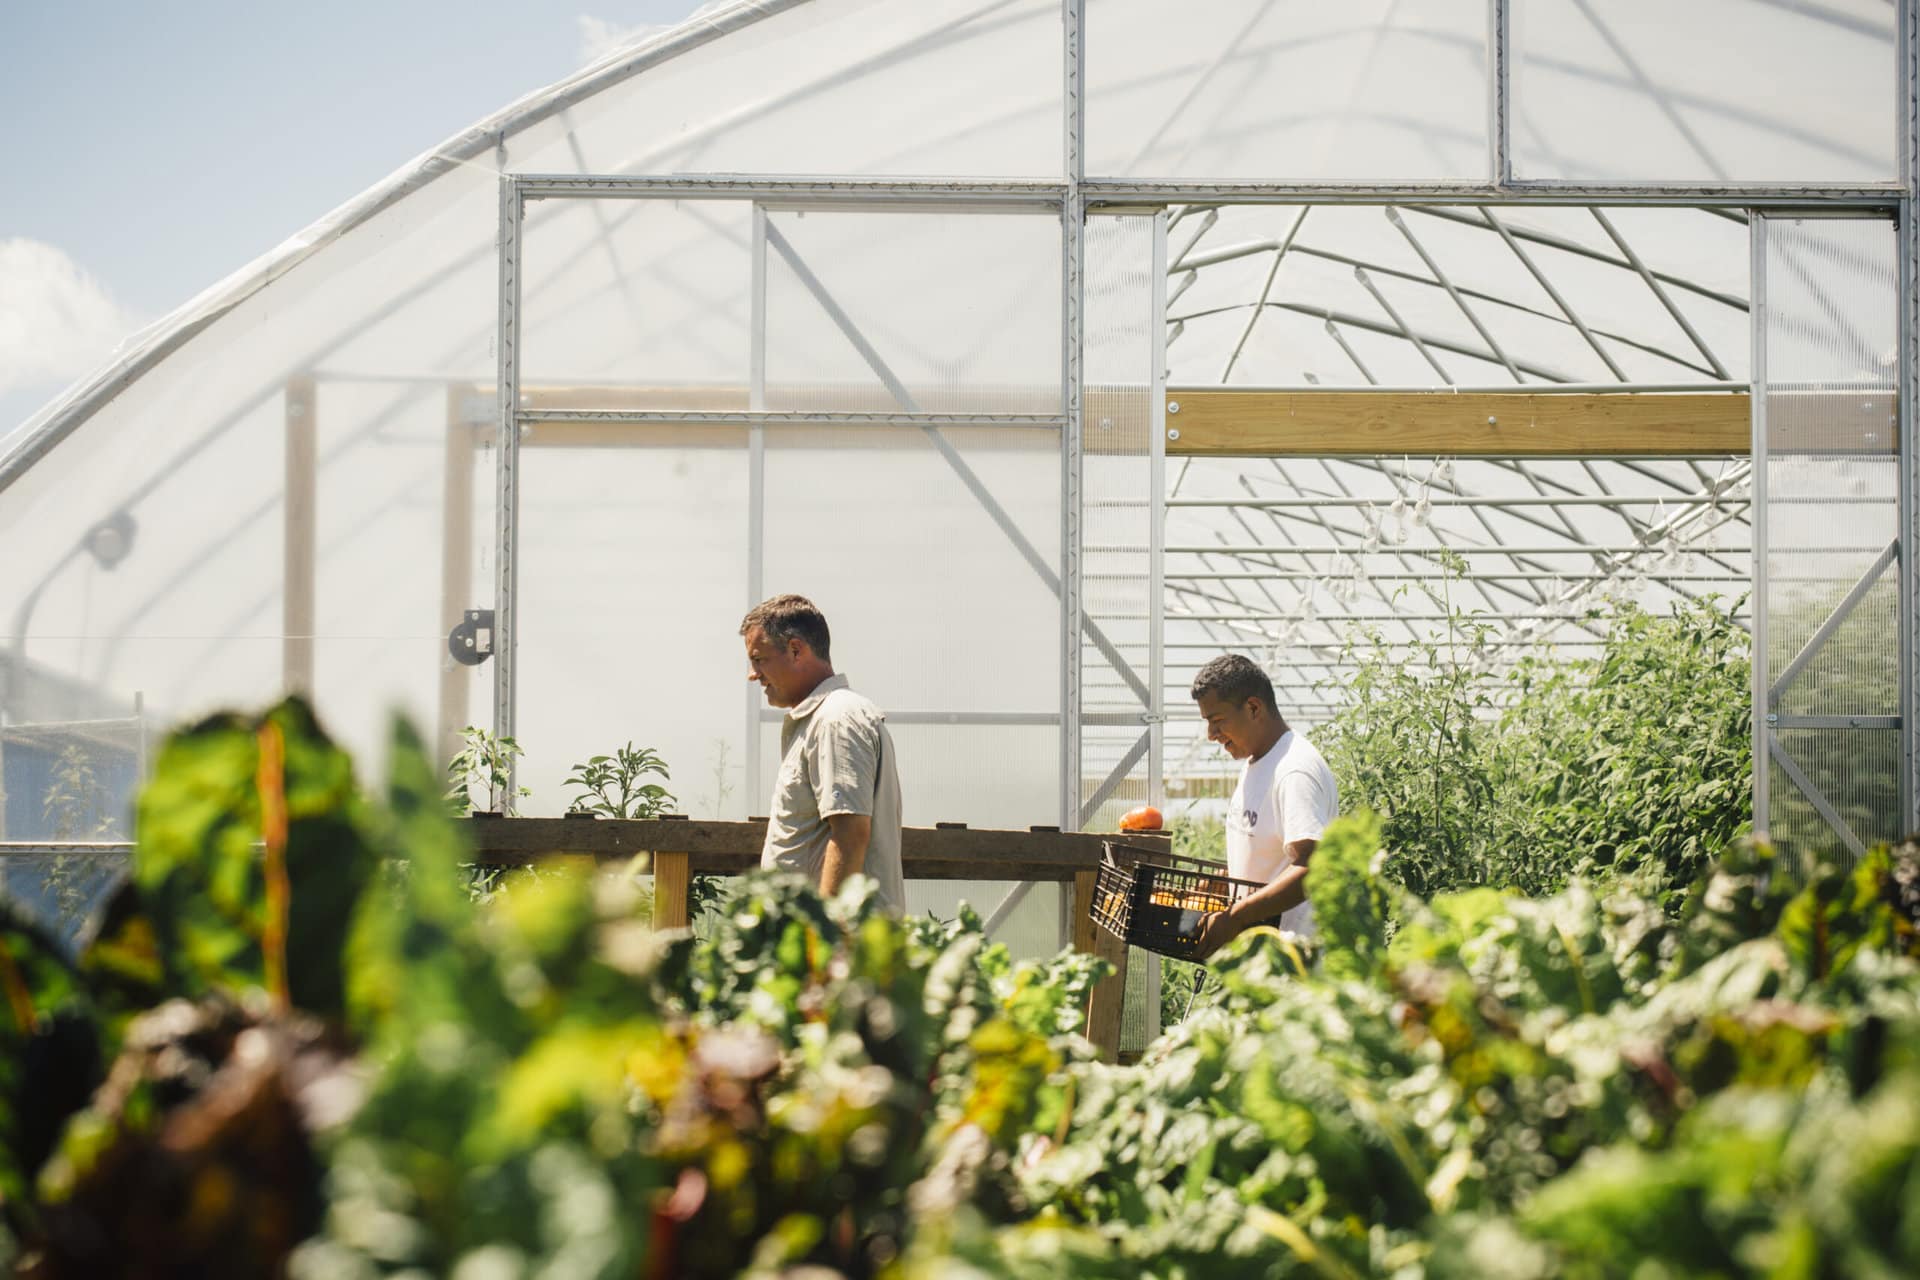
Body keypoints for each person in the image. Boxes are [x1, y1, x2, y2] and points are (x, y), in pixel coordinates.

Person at [741, 594, 906, 913]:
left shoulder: (835, 719)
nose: (753, 673)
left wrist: (826, 944)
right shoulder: (826, 717)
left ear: (795, 650)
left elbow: (850, 834)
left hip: (839, 950)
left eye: (759, 659)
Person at [1187, 654, 1338, 960]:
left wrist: (1236, 917)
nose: (1211, 735)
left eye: (1217, 721)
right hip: (1265, 960)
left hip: (1296, 962)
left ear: (1254, 708)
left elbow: (1312, 867)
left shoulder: (1294, 770)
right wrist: (1225, 882)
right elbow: (1272, 857)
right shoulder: (1258, 761)